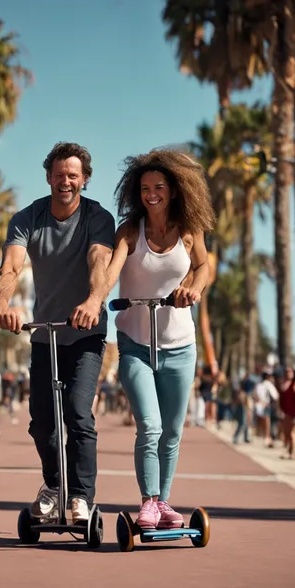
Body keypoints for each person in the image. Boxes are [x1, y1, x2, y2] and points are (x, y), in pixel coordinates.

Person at [0, 142, 115, 525]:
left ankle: (79, 497)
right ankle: (52, 485)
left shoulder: (98, 217)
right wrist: (2, 305)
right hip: (45, 334)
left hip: (86, 334)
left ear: (85, 180)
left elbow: (99, 260)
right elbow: (11, 265)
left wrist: (94, 301)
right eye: (59, 175)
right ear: (48, 177)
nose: (66, 182)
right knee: (41, 422)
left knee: (78, 414)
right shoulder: (27, 218)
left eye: (73, 176)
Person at [106, 149, 215, 529]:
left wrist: (193, 288)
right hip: (135, 344)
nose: (151, 193)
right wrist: (94, 298)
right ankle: (149, 501)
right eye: (145, 188)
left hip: (181, 347)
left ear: (173, 190)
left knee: (171, 431)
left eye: (159, 187)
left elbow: (203, 267)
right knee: (149, 426)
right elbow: (112, 269)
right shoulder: (129, 230)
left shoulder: (189, 229)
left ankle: (164, 501)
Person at [279, 366, 295, 460]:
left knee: (292, 433)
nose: (287, 374)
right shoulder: (284, 384)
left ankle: (292, 452)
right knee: (286, 433)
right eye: (286, 372)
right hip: (286, 412)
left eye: (289, 372)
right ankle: (289, 450)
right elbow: (281, 399)